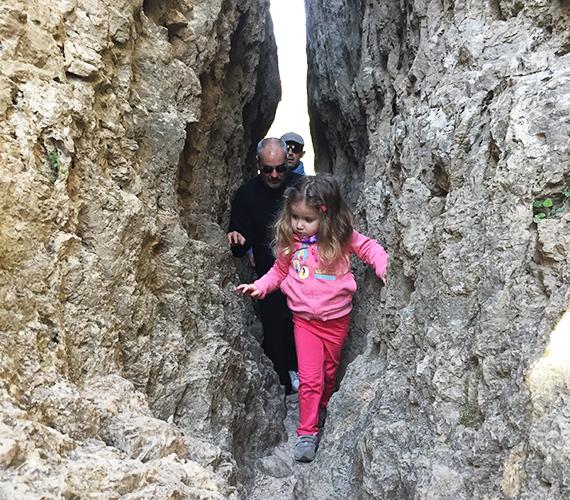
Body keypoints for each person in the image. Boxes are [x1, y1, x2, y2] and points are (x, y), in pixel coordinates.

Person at [236, 175, 389, 462]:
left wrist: (383, 266)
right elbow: (278, 272)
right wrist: (260, 286)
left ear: (326, 215)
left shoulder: (341, 238)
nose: (298, 224)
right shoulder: (290, 243)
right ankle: (307, 432)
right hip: (304, 321)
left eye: (307, 219)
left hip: (336, 320)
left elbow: (369, 248)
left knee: (329, 373)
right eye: (294, 217)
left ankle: (327, 403)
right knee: (310, 379)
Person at [227, 137, 301, 394]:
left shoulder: (301, 188)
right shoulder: (247, 195)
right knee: (274, 328)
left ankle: (304, 379)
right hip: (269, 277)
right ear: (258, 163)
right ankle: (281, 384)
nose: (274, 174)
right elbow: (237, 245)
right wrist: (237, 239)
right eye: (267, 169)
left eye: (280, 168)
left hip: (303, 275)